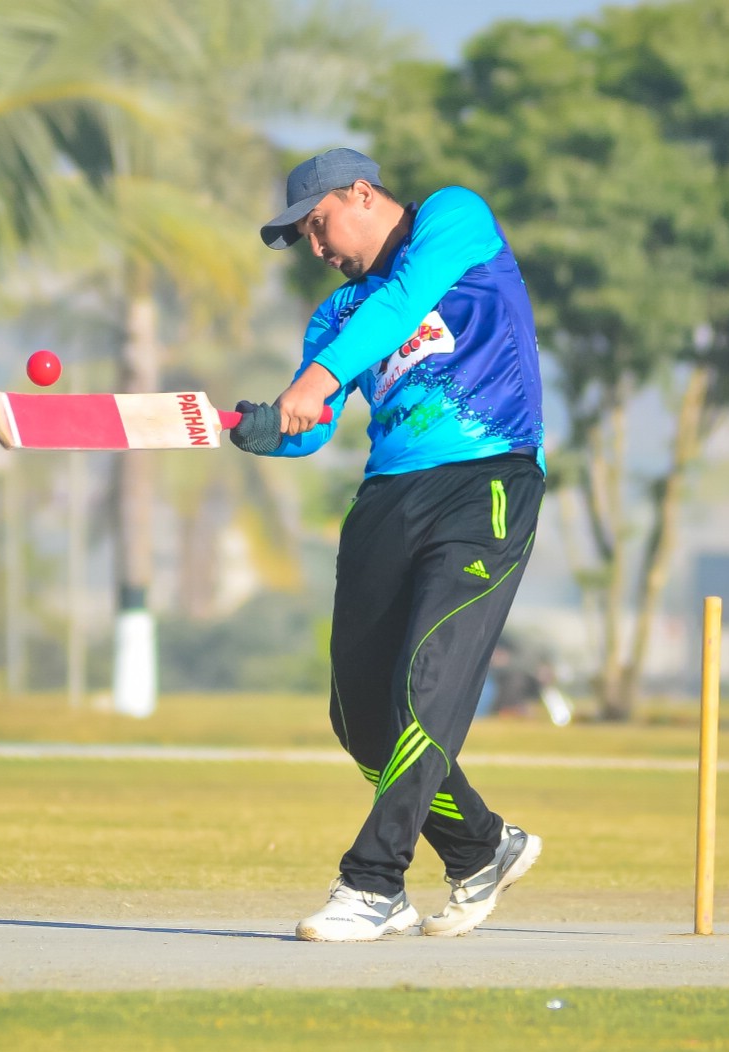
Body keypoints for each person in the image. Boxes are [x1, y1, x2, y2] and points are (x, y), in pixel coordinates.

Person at [230, 147, 547, 942]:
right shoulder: (337, 316)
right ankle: (481, 845)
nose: (315, 247)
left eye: (318, 224)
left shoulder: (453, 218)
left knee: (425, 683)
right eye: (303, 238)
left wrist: (315, 379)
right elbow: (315, 424)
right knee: (361, 717)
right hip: (386, 500)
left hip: (484, 481)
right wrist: (267, 428)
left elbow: (403, 303)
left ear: (362, 194)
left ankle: (372, 882)